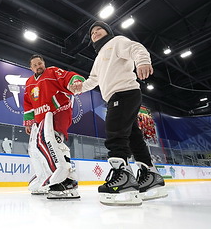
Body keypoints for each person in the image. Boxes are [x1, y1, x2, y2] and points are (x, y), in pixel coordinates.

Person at [70, 21, 167, 206]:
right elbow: (93, 80)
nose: (95, 33)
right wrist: (80, 87)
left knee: (115, 131)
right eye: (92, 33)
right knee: (133, 136)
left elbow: (136, 48)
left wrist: (143, 61)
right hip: (119, 95)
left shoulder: (117, 42)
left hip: (124, 92)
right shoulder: (99, 58)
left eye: (99, 29)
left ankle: (122, 176)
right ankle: (150, 176)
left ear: (108, 32)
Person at [23, 54, 85, 199]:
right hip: (41, 119)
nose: (39, 66)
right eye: (35, 65)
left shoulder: (52, 72)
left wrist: (76, 80)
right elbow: (28, 103)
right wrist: (29, 121)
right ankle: (48, 176)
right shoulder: (29, 82)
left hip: (58, 113)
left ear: (44, 63)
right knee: (37, 148)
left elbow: (68, 76)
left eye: (40, 63)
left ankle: (66, 179)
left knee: (55, 143)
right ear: (31, 68)